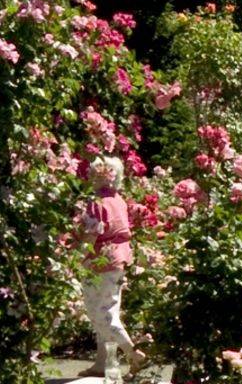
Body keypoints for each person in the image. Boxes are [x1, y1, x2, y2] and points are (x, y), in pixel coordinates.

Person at [78, 156, 145, 377]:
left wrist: (75, 256)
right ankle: (103, 363)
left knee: (101, 313)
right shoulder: (118, 200)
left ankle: (132, 353)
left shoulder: (96, 203)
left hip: (100, 260)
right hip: (119, 259)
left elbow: (91, 235)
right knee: (109, 309)